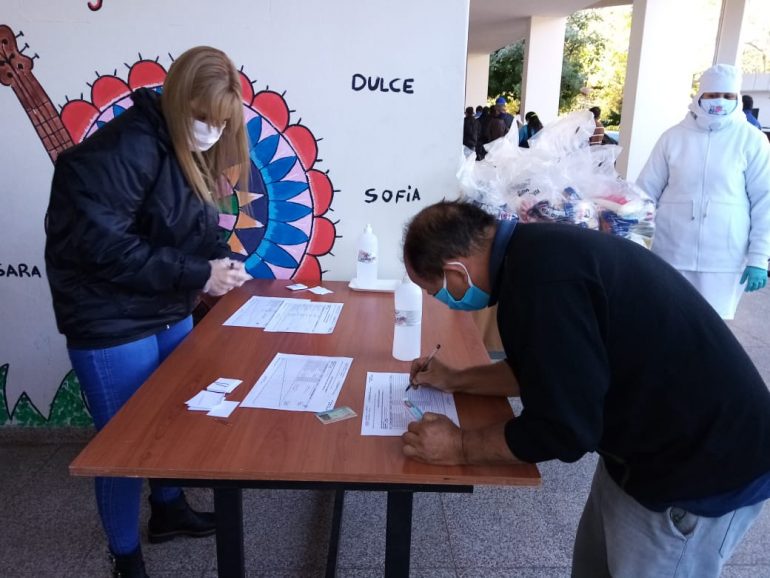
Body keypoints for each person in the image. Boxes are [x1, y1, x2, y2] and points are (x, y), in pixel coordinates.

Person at [400, 200, 770, 578]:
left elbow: (563, 429)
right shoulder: (531, 256)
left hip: (700, 468)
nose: (436, 299)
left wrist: (460, 446)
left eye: (433, 290)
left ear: (456, 271)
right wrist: (455, 378)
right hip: (640, 452)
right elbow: (545, 368)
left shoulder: (542, 283)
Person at [45, 46, 252, 577]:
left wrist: (221, 261)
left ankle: (168, 509)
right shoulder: (123, 149)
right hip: (110, 317)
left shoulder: (181, 144)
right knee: (124, 447)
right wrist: (199, 274)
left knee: (170, 421)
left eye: (222, 123)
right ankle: (125, 558)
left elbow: (188, 225)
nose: (212, 132)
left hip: (162, 302)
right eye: (204, 118)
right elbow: (104, 249)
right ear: (179, 99)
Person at [636, 64, 770, 319]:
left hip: (724, 259)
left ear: (737, 98)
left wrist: (759, 257)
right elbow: (644, 194)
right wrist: (636, 241)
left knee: (712, 327)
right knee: (668, 321)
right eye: (713, 94)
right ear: (700, 96)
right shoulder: (673, 138)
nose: (720, 101)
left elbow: (765, 201)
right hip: (671, 251)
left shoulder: (751, 140)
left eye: (728, 96)